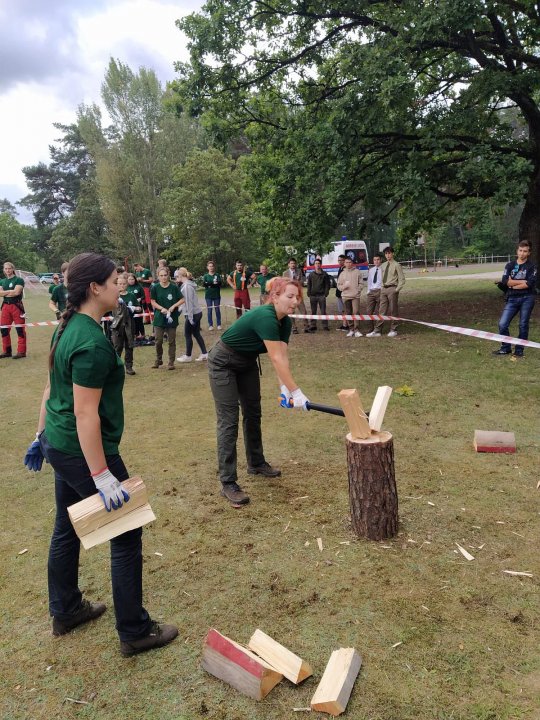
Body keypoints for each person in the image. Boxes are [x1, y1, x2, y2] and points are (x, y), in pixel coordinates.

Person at [23, 252, 177, 656]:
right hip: (81, 450)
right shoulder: (89, 341)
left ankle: (66, 610)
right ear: (94, 288)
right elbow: (85, 413)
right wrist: (102, 475)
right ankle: (135, 631)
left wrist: (40, 434)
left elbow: (50, 388)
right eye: (113, 281)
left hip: (59, 442)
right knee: (126, 531)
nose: (120, 287)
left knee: (66, 526)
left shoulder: (69, 326)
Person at [208, 277, 310, 507]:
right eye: (290, 296)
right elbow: (275, 358)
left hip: (247, 362)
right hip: (223, 362)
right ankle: (228, 482)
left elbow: (282, 357)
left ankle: (256, 463)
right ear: (275, 297)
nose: (295, 301)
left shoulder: (284, 323)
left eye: (297, 297)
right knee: (229, 420)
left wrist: (285, 389)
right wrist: (297, 392)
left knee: (253, 413)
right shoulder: (266, 316)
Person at [492, 241, 537, 358]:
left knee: (523, 324)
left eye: (525, 251)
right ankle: (505, 348)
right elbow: (505, 281)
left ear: (529, 253)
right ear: (517, 251)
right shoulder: (510, 265)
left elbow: (530, 284)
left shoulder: (532, 266)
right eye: (520, 250)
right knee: (502, 324)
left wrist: (513, 284)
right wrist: (521, 282)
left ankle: (519, 350)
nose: (522, 253)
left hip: (527, 298)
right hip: (512, 298)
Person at [150, 267, 183, 369]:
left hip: (172, 317)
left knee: (171, 341)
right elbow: (153, 301)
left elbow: (182, 299)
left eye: (165, 275)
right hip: (159, 317)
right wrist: (161, 308)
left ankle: (171, 362)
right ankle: (158, 360)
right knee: (158, 341)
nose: (163, 277)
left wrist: (174, 306)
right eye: (161, 275)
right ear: (158, 276)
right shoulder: (155, 287)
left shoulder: (174, 287)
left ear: (168, 275)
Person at [175, 267, 208, 363]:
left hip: (193, 314)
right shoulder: (187, 285)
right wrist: (179, 310)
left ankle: (188, 356)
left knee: (187, 334)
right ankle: (204, 354)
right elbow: (185, 302)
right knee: (196, 334)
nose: (176, 278)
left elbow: (189, 303)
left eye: (176, 276)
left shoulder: (187, 287)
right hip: (195, 313)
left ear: (181, 276)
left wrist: (190, 318)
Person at [375, 246, 406, 337]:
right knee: (382, 310)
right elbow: (382, 277)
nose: (388, 255)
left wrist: (396, 290)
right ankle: (377, 330)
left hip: (392, 289)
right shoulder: (383, 265)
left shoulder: (397, 265)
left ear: (393, 254)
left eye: (389, 253)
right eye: (386, 253)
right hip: (384, 289)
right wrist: (382, 287)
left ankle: (393, 329)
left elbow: (402, 279)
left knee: (393, 310)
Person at [110, 274, 136, 375]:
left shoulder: (131, 295)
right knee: (117, 347)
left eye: (124, 284)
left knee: (129, 346)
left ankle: (129, 367)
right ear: (116, 284)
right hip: (117, 325)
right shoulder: (113, 296)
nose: (122, 285)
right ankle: (115, 368)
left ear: (127, 284)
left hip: (129, 324)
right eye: (120, 284)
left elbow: (139, 309)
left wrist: (134, 308)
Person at [0, 261, 26, 359]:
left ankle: (21, 352)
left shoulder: (19, 280)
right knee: (4, 329)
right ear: (4, 270)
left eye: (9, 268)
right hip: (5, 307)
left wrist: (5, 292)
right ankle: (7, 351)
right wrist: (10, 291)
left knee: (20, 329)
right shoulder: (2, 281)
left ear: (13, 269)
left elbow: (16, 292)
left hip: (16, 306)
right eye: (6, 268)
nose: (7, 270)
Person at [282, 258, 310, 334]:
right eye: (291, 263)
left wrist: (298, 281)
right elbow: (284, 284)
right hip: (290, 296)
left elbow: (302, 281)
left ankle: (306, 327)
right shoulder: (285, 273)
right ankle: (294, 328)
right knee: (291, 312)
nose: (293, 265)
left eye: (294, 263)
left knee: (303, 311)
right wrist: (291, 282)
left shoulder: (299, 271)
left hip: (298, 295)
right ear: (288, 265)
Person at [337, 257, 363, 337]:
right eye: (347, 262)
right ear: (344, 263)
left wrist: (358, 290)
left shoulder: (357, 272)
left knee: (356, 312)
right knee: (348, 313)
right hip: (345, 296)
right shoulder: (342, 273)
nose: (348, 264)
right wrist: (343, 287)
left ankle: (357, 330)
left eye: (350, 262)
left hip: (355, 296)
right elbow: (339, 285)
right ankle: (351, 329)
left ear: (352, 263)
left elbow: (361, 283)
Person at [307, 259, 331, 331]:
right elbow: (309, 284)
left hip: (321, 296)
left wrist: (326, 293)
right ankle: (313, 325)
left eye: (318, 263)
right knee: (313, 311)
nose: (317, 265)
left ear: (320, 265)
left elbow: (327, 284)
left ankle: (325, 325)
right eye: (316, 263)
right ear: (314, 265)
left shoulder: (324, 274)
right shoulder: (311, 274)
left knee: (323, 311)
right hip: (313, 296)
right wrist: (309, 292)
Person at [365, 254, 383, 337]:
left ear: (381, 260)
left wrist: (382, 291)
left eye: (378, 259)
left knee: (379, 311)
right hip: (371, 292)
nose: (376, 261)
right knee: (369, 312)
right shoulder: (371, 270)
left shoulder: (383, 269)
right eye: (375, 260)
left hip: (380, 291)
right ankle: (370, 329)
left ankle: (378, 330)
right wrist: (368, 291)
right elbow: (369, 281)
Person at [203, 260, 222, 330]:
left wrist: (209, 284)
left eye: (212, 266)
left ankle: (219, 324)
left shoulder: (217, 275)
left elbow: (219, 284)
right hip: (208, 296)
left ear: (214, 267)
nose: (211, 267)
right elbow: (204, 284)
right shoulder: (205, 276)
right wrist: (213, 284)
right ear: (207, 267)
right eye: (209, 266)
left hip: (216, 295)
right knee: (209, 310)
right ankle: (210, 325)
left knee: (217, 310)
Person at [126, 272, 145, 342]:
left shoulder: (139, 286)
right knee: (133, 322)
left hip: (138, 306)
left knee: (139, 321)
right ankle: (136, 335)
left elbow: (143, 296)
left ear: (135, 279)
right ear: (127, 280)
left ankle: (143, 334)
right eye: (130, 279)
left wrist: (140, 298)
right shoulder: (126, 287)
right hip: (129, 308)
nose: (131, 281)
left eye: (132, 279)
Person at [335, 254, 348, 331]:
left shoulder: (346, 269)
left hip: (345, 293)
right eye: (339, 260)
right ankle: (344, 324)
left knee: (346, 309)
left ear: (344, 261)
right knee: (342, 310)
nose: (340, 262)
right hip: (339, 293)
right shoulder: (340, 268)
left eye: (341, 260)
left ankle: (347, 325)